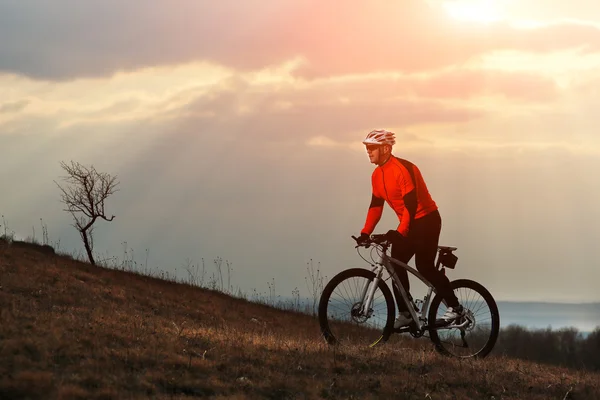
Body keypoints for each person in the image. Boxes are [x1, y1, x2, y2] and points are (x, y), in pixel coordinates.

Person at [356, 129, 463, 329]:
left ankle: (455, 308)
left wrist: (401, 231)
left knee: (424, 265)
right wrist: (365, 233)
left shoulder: (403, 169)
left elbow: (411, 206)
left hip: (427, 220)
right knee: (395, 266)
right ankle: (406, 313)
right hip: (409, 221)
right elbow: (376, 206)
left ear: (386, 148)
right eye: (366, 148)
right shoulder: (377, 175)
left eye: (372, 148)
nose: (368, 151)